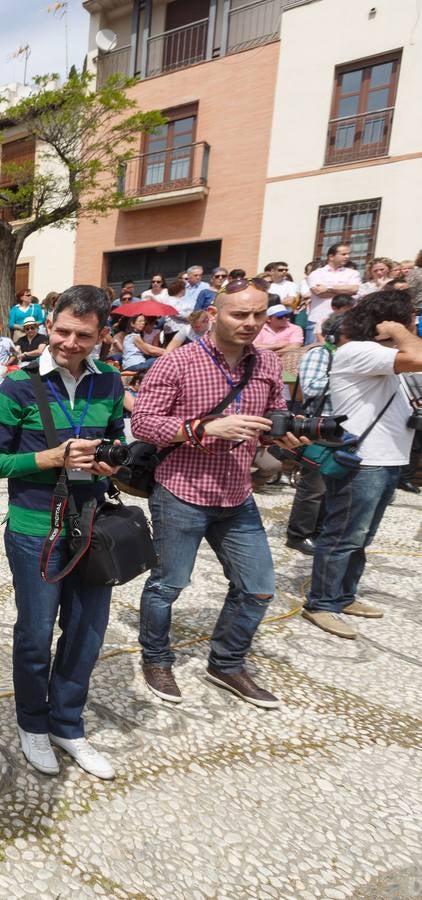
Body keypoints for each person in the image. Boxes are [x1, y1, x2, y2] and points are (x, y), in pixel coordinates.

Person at [131, 280, 309, 709]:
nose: (249, 323)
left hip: (236, 492)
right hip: (181, 491)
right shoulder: (177, 363)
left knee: (259, 589)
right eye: (239, 314)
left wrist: (282, 431)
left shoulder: (267, 363)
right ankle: (156, 657)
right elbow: (144, 423)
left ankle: (226, 663)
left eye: (258, 314)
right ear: (214, 314)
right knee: (168, 584)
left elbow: (274, 410)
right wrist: (202, 428)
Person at [0, 285, 127, 779]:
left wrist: (111, 463)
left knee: (86, 632)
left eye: (83, 335)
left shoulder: (109, 383)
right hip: (34, 528)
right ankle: (32, 724)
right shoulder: (16, 386)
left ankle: (67, 723)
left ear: (101, 336)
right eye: (61, 330)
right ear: (48, 325)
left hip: (92, 525)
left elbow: (120, 438)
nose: (69, 342)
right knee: (36, 635)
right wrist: (49, 458)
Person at [303, 292, 422, 639]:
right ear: (387, 322)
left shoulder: (381, 356)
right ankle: (321, 604)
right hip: (364, 461)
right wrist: (400, 330)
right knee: (343, 536)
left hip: (386, 460)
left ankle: (343, 595)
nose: (413, 325)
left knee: (361, 537)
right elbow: (418, 355)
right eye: (408, 319)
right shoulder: (358, 350)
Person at [284, 328, 336, 556]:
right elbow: (312, 387)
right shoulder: (321, 354)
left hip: (343, 428)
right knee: (314, 486)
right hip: (319, 426)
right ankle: (298, 534)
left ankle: (319, 530)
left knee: (333, 484)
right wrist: (347, 375)